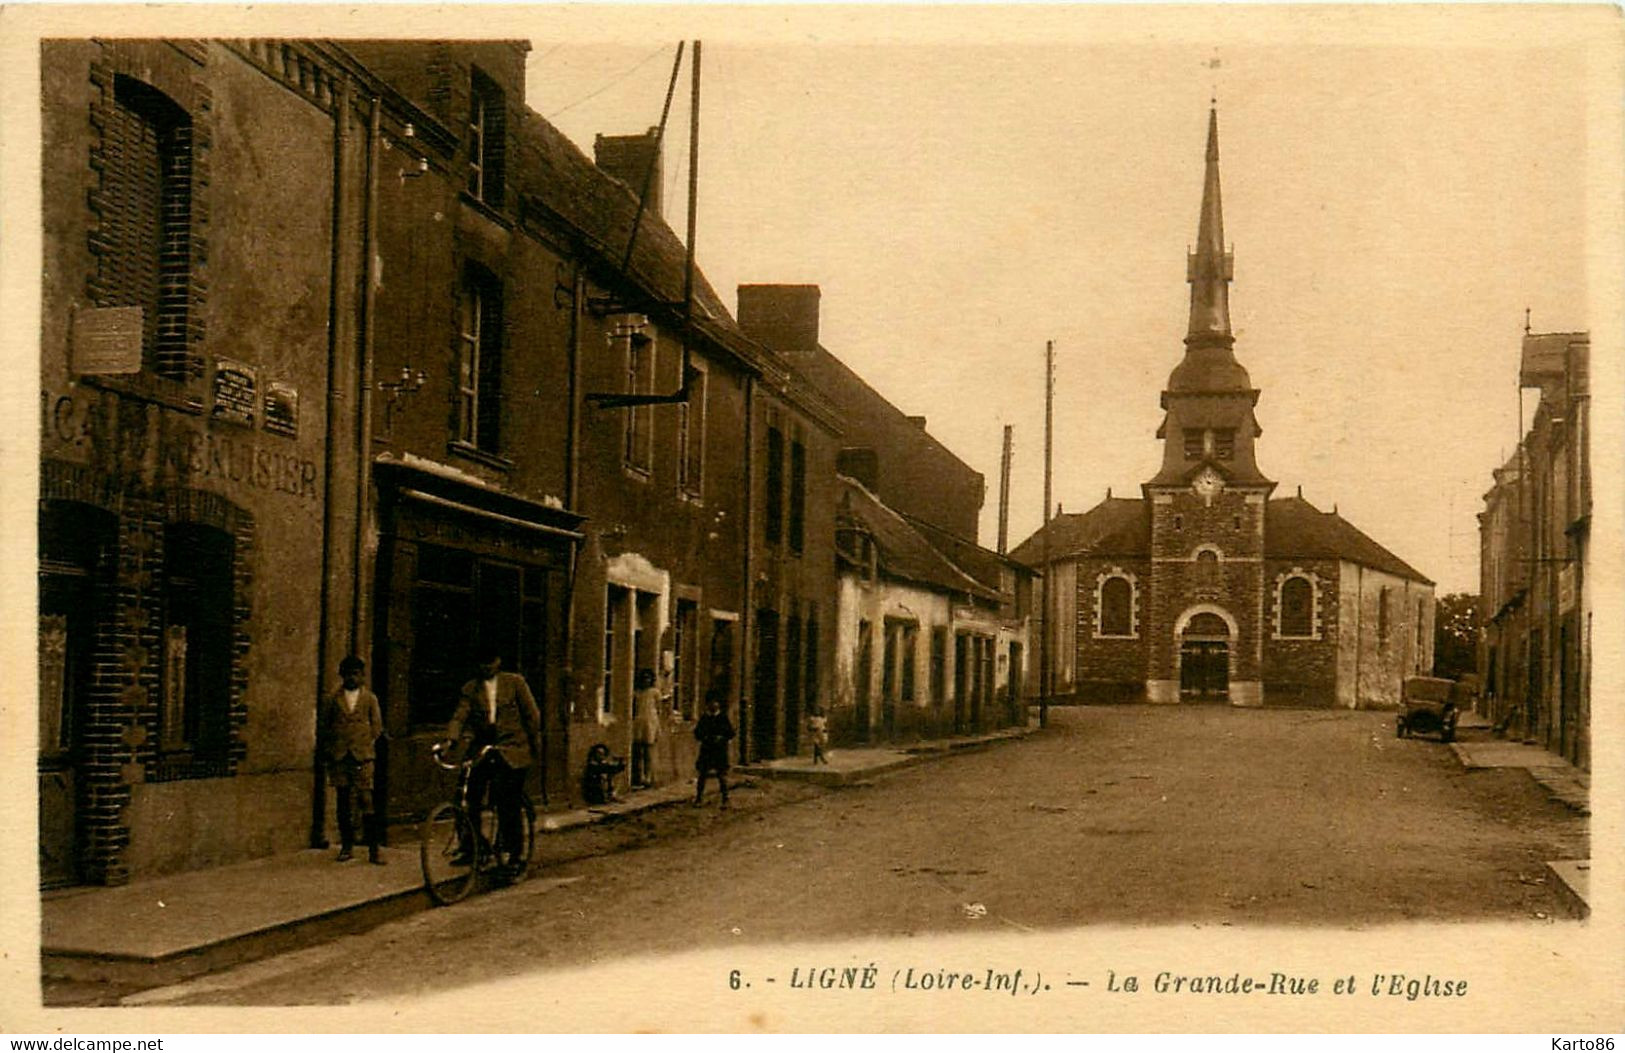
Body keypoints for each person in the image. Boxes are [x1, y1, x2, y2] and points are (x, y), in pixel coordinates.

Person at [442, 648, 542, 874]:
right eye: (482, 663)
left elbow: (532, 716)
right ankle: (474, 847)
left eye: (490, 662)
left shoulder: (515, 683)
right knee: (466, 796)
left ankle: (514, 853)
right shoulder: (471, 688)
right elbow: (460, 715)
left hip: (513, 750)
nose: (486, 667)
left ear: (498, 661)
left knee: (507, 800)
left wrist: (533, 748)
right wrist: (451, 739)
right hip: (485, 749)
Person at [318, 655, 386, 864]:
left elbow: (377, 726)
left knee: (366, 800)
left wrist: (364, 744)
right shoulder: (333, 698)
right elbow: (324, 726)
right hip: (340, 757)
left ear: (362, 676)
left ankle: (374, 849)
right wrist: (332, 749)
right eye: (348, 674)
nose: (352, 678)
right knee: (343, 802)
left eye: (356, 674)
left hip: (362, 757)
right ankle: (347, 846)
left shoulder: (369, 699)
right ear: (342, 676)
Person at [693, 690, 735, 808]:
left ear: (718, 704)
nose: (713, 705)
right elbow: (697, 733)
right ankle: (699, 798)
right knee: (702, 775)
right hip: (707, 749)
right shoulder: (705, 718)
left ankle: (725, 799)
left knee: (722, 776)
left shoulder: (723, 717)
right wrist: (704, 737)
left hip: (719, 750)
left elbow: (731, 733)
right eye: (711, 703)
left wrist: (721, 737)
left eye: (715, 702)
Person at [631, 668, 663, 788]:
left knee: (649, 750)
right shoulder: (637, 693)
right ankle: (640, 776)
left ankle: (649, 776)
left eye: (648, 679)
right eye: (644, 679)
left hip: (651, 721)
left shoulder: (655, 692)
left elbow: (659, 709)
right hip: (639, 721)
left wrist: (657, 724)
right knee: (638, 750)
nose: (646, 681)